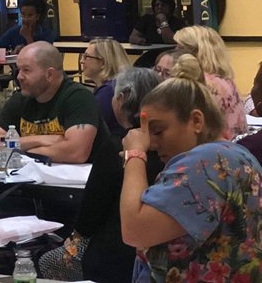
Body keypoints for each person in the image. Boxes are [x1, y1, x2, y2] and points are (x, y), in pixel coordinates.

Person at [120, 54, 262, 282]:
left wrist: (134, 155)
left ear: (196, 121)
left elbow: (134, 230)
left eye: (158, 131)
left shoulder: (205, 164)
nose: (151, 144)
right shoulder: (234, 154)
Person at [38, 68, 163, 283]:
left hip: (113, 253)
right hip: (154, 248)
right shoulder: (166, 147)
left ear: (121, 98)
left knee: (46, 261)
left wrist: (73, 240)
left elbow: (90, 212)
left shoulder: (116, 147)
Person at [0, 42, 102, 164]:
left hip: (77, 181)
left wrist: (18, 151)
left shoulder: (78, 97)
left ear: (49, 74)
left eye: (26, 70)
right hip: (30, 179)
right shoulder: (19, 100)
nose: (19, 77)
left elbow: (76, 153)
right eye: (19, 70)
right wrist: (40, 140)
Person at [173, 24, 247, 138]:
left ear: (195, 51)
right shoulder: (226, 81)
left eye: (179, 47)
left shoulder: (201, 84)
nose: (175, 52)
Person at [81, 37, 131, 141]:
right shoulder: (115, 85)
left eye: (86, 57)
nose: (81, 61)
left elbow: (88, 129)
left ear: (103, 63)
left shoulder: (107, 92)